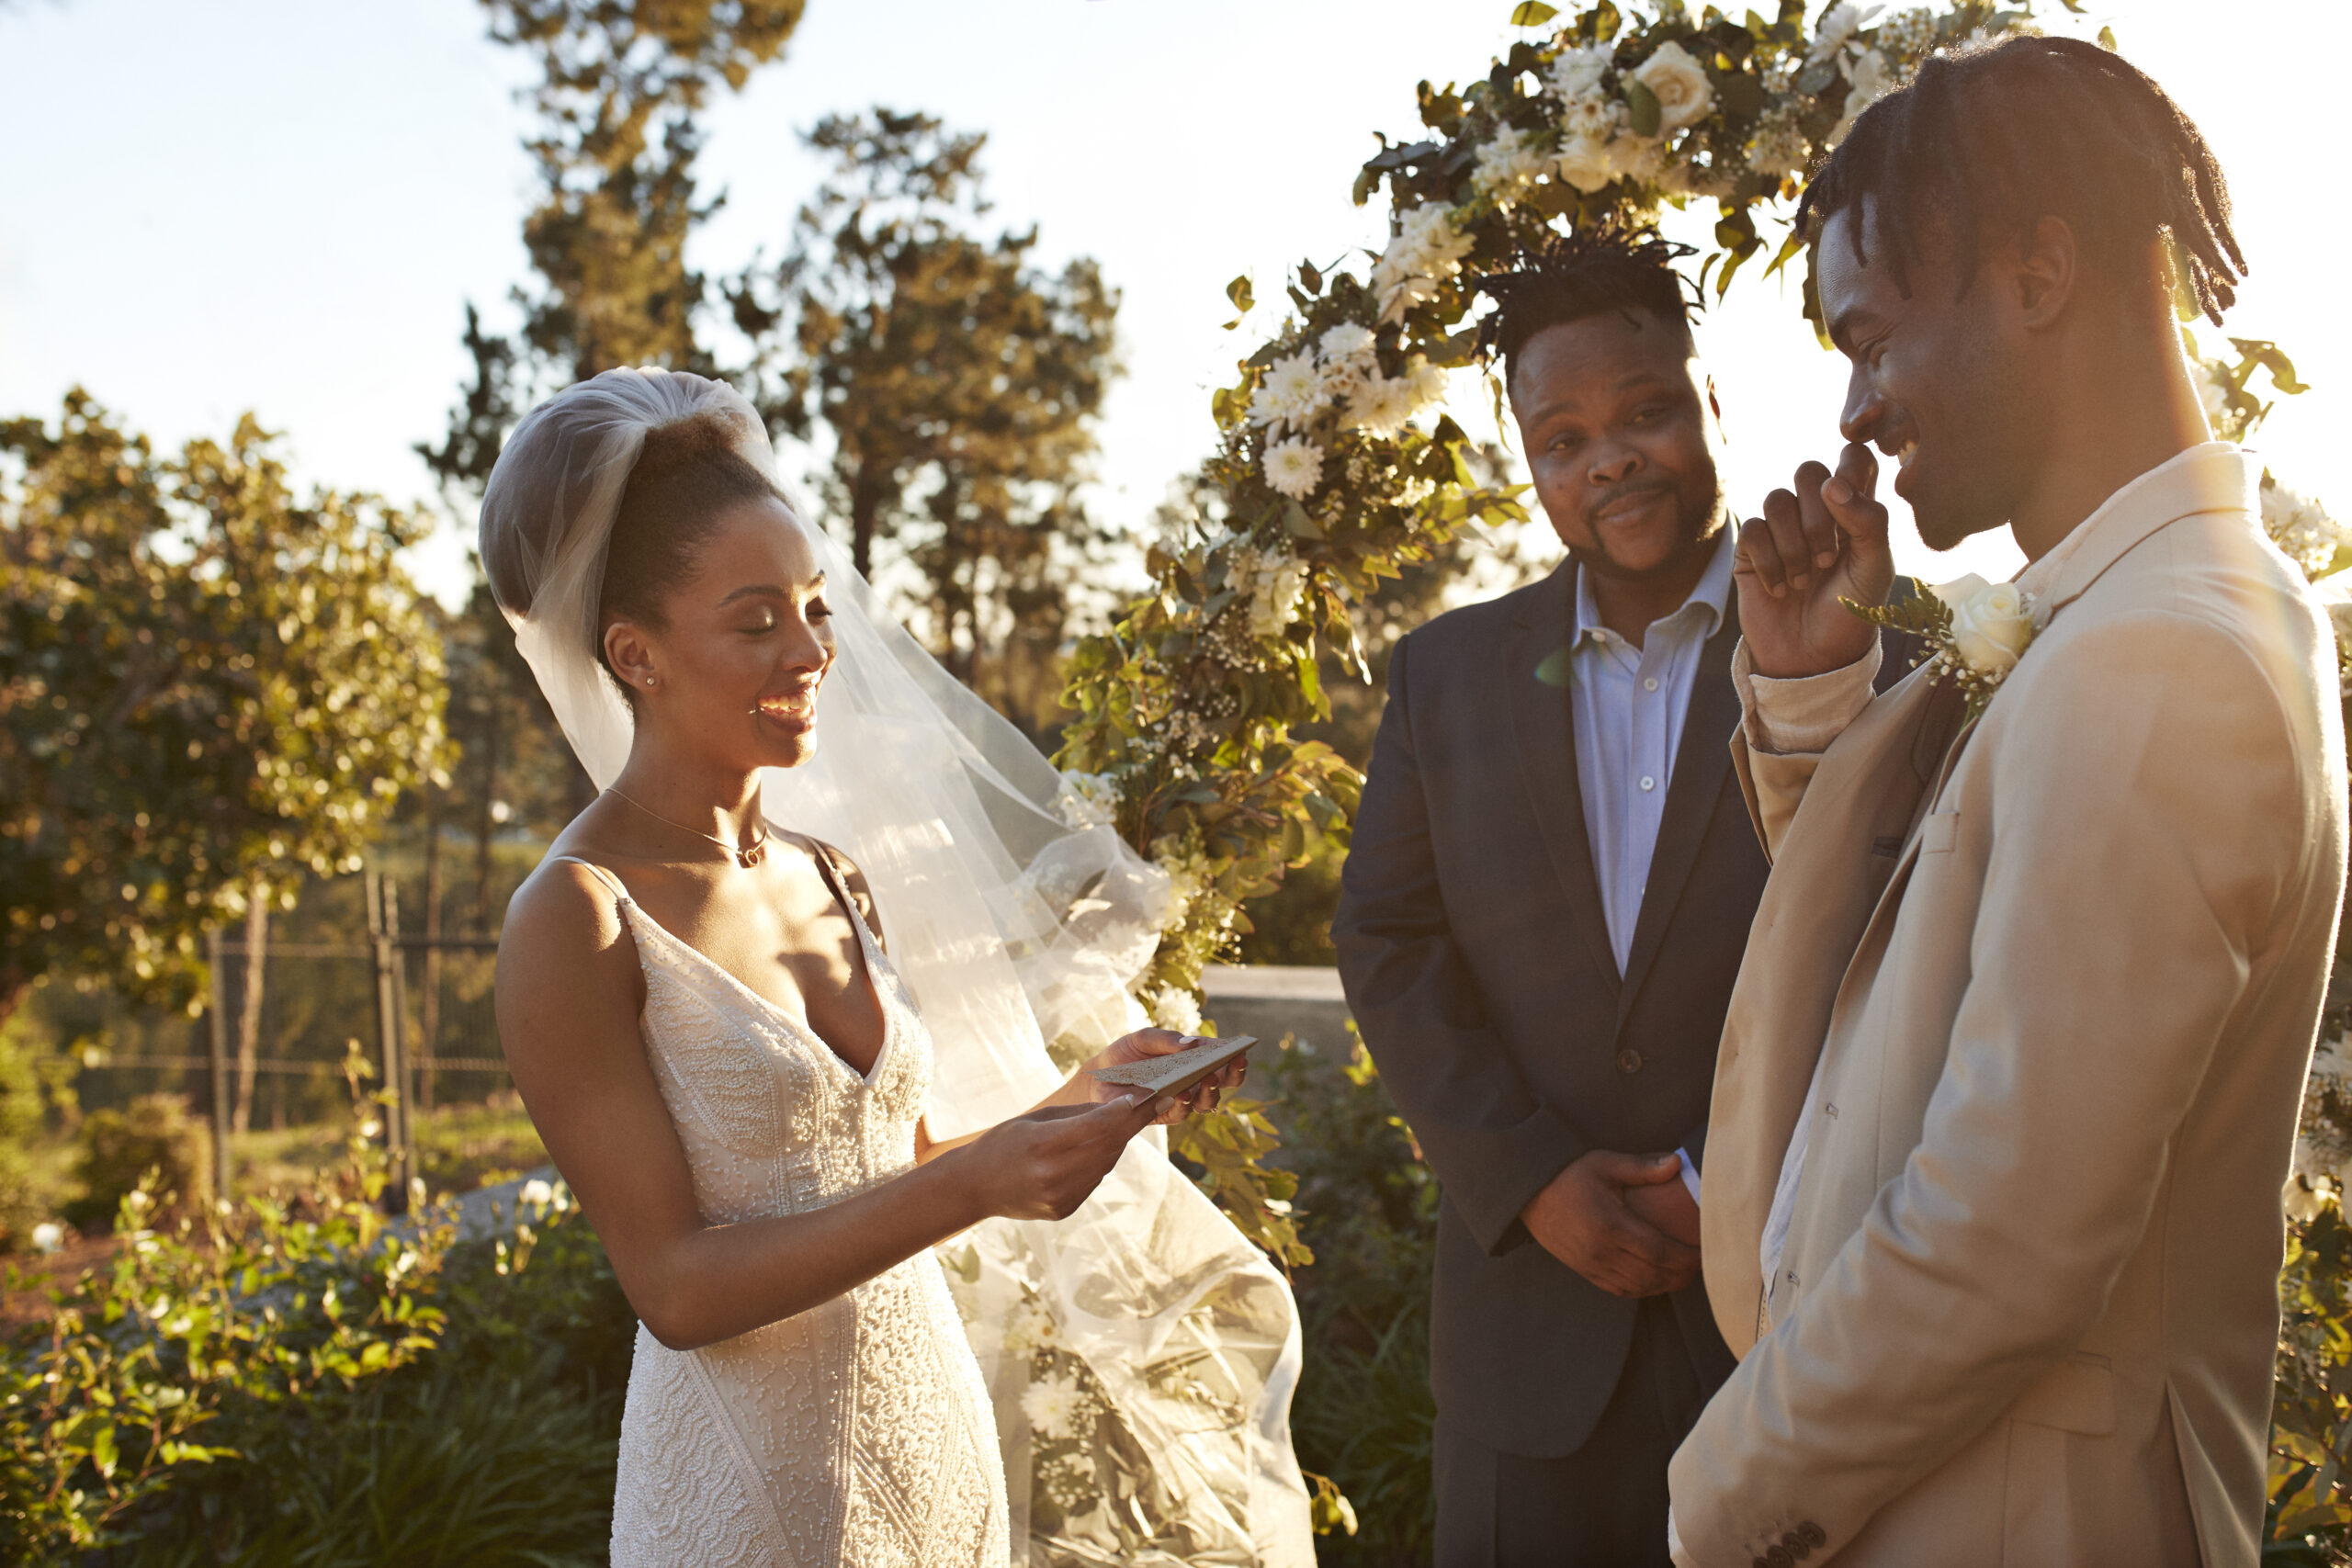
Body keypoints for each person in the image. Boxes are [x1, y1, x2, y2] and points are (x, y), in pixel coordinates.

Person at [1667, 38, 2346, 1568]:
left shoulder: (2159, 658)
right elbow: (1924, 982)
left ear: (2040, 274)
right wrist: (1819, 700)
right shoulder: (2142, 616)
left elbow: (2009, 1231)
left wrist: (1719, 1497)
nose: (1855, 413)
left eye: (1874, 336)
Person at [481, 369, 1280, 1567]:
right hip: (750, 1496)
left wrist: (1083, 1100)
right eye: (757, 621)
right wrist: (979, 1184)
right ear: (635, 654)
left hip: (929, 1443)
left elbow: (881, 1172)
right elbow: (677, 1290)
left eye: (814, 607)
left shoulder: (834, 876)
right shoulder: (576, 918)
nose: (809, 651)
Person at [1334, 225, 1906, 1566]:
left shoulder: (1865, 632)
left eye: (1645, 414)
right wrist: (1527, 1176)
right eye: (1563, 438)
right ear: (1529, 459)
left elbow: (1901, 927)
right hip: (1530, 1340)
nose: (1610, 460)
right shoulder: (1443, 676)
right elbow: (1387, 939)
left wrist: (1746, 1178)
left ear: (1711, 403)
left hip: (1792, 1315)